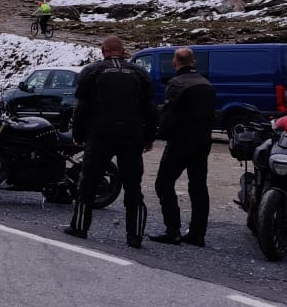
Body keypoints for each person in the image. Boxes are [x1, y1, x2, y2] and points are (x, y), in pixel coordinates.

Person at [64, 35, 157, 248]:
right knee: (133, 186)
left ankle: (80, 227)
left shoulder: (92, 71)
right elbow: (151, 109)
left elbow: (80, 108)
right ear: (123, 51)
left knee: (88, 181)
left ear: (103, 50)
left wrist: (77, 134)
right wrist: (149, 137)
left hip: (99, 134)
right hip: (132, 135)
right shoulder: (139, 72)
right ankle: (134, 236)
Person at [149, 47, 217, 247]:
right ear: (193, 62)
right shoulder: (207, 84)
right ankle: (197, 234)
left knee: (163, 183)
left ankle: (173, 230)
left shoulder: (177, 84)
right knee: (198, 186)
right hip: (202, 141)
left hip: (181, 141)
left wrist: (160, 132)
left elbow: (171, 115)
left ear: (175, 63)